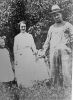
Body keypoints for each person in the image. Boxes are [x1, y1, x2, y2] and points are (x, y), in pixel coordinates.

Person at [41, 5, 73, 86]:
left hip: (65, 51)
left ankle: (67, 87)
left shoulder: (68, 25)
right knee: (53, 71)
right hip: (53, 51)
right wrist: (44, 50)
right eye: (54, 15)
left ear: (61, 14)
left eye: (57, 14)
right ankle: (55, 87)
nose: (56, 16)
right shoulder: (51, 27)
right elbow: (47, 40)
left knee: (66, 70)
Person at [14, 21, 49, 88]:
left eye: (24, 26)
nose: (23, 28)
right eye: (22, 27)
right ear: (19, 27)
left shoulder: (29, 36)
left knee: (30, 68)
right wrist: (16, 59)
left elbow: (33, 46)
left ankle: (30, 84)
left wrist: (36, 53)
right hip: (20, 54)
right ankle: (23, 85)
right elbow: (15, 49)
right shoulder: (17, 37)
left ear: (26, 27)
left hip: (28, 53)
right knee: (22, 69)